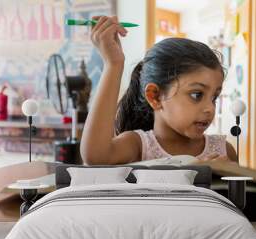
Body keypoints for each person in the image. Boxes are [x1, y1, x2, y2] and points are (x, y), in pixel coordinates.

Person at [80, 15, 237, 165]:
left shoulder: (224, 151)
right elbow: (95, 156)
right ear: (155, 96)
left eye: (214, 97)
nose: (210, 108)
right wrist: (113, 64)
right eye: (197, 94)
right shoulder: (138, 145)